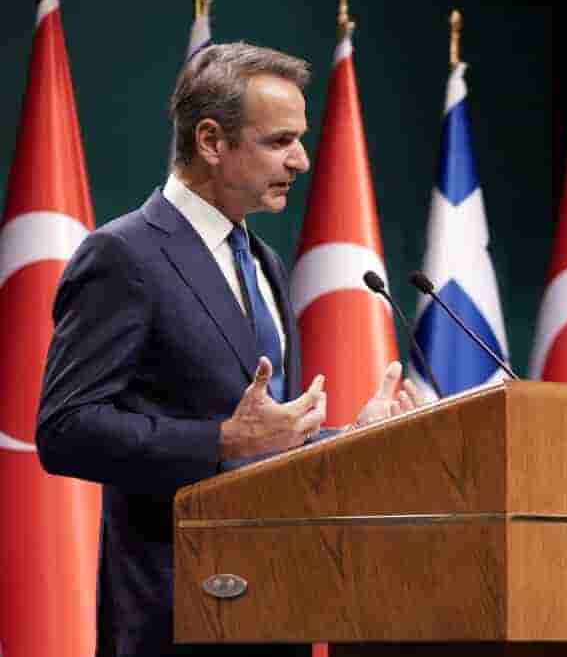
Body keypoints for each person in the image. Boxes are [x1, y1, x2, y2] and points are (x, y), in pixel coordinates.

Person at [36, 42, 420, 657]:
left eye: (300, 139)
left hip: (278, 605)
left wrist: (351, 437)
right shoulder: (123, 255)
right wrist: (220, 439)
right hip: (175, 613)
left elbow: (265, 445)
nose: (301, 160)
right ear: (211, 141)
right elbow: (65, 430)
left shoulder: (264, 262)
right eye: (280, 141)